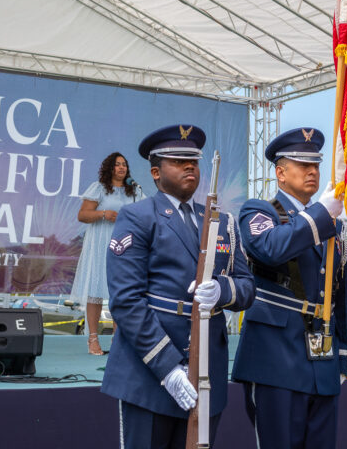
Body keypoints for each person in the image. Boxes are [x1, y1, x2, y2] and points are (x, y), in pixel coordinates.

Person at [101, 125, 255, 449]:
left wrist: (222, 291)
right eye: (178, 161)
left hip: (206, 372)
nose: (189, 167)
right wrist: (168, 367)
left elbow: (247, 286)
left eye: (194, 161)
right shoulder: (138, 216)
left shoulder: (221, 222)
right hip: (150, 372)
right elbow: (127, 301)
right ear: (156, 173)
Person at [232, 127, 347, 449]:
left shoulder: (333, 224)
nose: (312, 172)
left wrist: (341, 357)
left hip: (321, 359)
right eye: (302, 165)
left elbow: (339, 292)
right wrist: (320, 215)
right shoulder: (260, 210)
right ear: (280, 173)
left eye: (316, 165)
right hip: (275, 356)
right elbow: (270, 248)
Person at [72, 151, 146, 354]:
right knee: (96, 292)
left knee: (120, 292)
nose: (122, 167)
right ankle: (93, 339)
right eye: (117, 164)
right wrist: (104, 214)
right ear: (109, 168)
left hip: (125, 244)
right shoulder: (99, 188)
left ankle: (118, 339)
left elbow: (145, 213)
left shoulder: (135, 191)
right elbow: (82, 215)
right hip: (100, 242)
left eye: (124, 164)